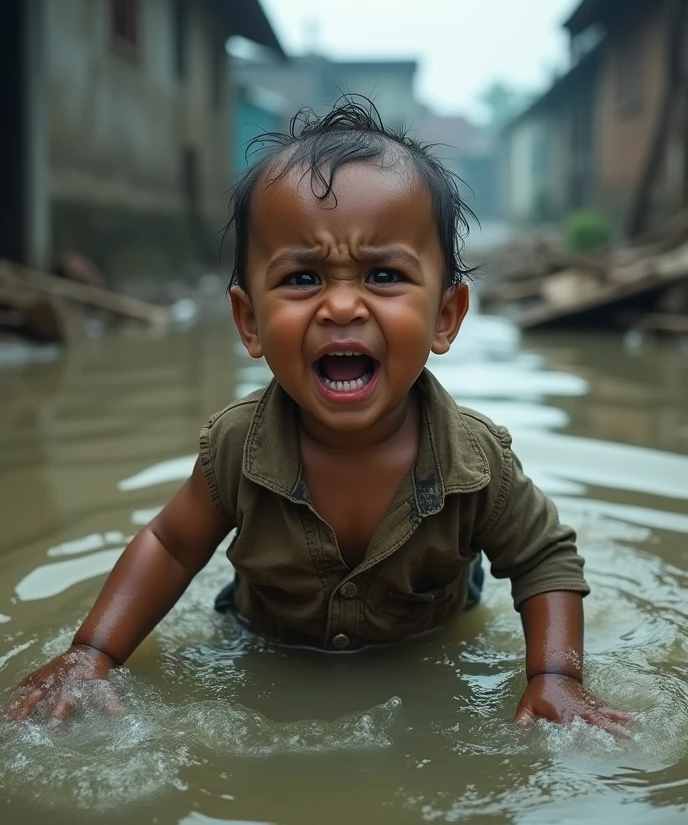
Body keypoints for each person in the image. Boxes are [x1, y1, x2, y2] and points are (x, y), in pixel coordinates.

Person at [7, 100, 633, 734]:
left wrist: (554, 677)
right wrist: (92, 654)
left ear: (446, 317)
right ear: (249, 321)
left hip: (429, 642)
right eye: (302, 277)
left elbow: (544, 559)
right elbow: (170, 545)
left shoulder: (477, 461)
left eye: (384, 274)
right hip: (266, 640)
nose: (340, 305)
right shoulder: (235, 447)